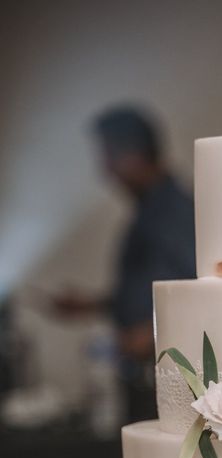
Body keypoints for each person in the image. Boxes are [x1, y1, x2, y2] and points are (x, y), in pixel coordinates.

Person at [51, 106, 196, 422]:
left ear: (133, 155)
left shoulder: (171, 211)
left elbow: (195, 287)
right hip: (145, 372)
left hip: (162, 375)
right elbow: (151, 286)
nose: (105, 170)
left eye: (108, 157)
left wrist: (148, 334)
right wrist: (93, 304)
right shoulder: (150, 210)